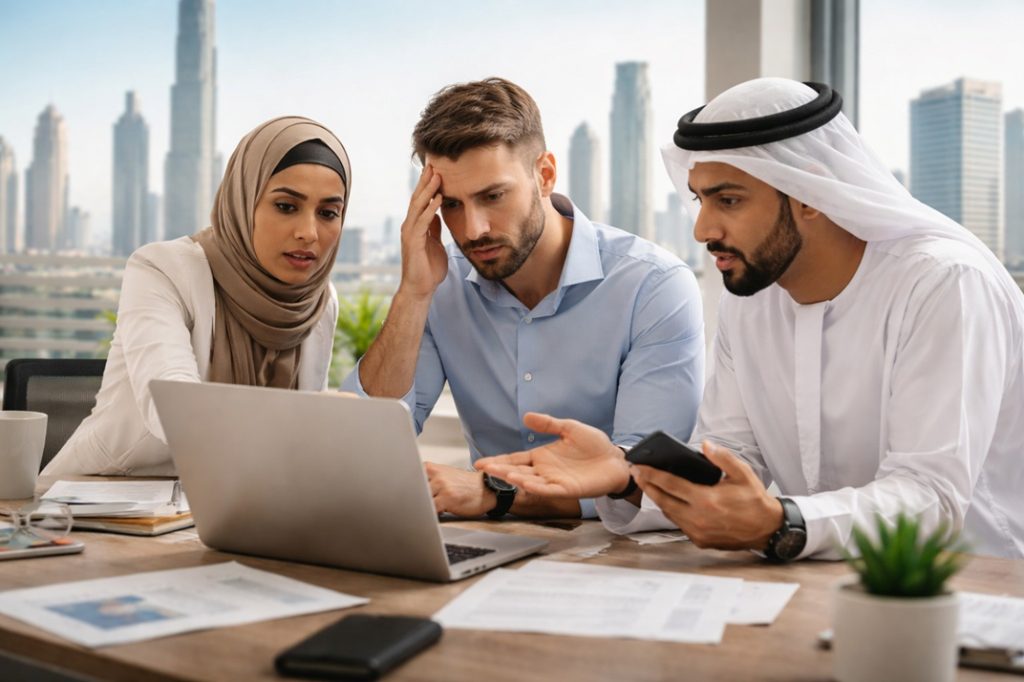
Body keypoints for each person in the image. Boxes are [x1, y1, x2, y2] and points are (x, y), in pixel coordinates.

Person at [478, 77, 1024, 560]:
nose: (702, 229)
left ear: (809, 191)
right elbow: (735, 458)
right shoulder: (751, 295)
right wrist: (629, 475)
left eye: (729, 201)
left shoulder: (943, 283)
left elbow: (930, 495)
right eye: (699, 201)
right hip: (814, 583)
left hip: (972, 591)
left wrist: (779, 522)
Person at [342, 78, 704, 520]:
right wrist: (413, 294)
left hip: (619, 558)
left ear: (545, 175)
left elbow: (653, 481)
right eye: (451, 205)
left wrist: (498, 493)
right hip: (489, 549)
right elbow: (367, 438)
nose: (473, 229)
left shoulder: (653, 286)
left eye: (493, 196)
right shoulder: (441, 284)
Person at [42, 116, 350, 478]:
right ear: (243, 200)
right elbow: (172, 407)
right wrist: (312, 418)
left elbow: (297, 455)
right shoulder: (161, 269)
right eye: (285, 206)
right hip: (100, 503)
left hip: (237, 505)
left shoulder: (319, 301)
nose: (308, 233)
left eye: (328, 213)